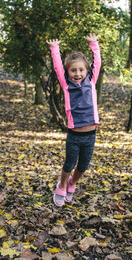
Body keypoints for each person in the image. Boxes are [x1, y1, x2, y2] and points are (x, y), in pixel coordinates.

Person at [46, 33, 101, 206]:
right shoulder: (66, 85)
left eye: (81, 70)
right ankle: (62, 185)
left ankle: (72, 183)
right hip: (74, 135)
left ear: (86, 71)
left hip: (90, 135)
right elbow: (57, 68)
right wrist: (55, 49)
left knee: (83, 167)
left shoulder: (91, 82)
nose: (77, 73)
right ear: (68, 72)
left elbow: (97, 63)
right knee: (69, 165)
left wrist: (94, 44)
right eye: (73, 70)